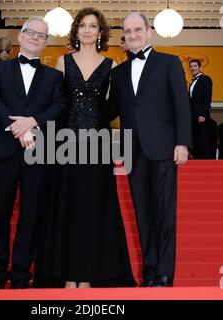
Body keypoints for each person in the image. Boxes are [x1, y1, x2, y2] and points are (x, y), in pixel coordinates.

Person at [34, 7, 136, 289]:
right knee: (67, 209)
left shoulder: (111, 65)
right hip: (65, 145)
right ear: (76, 31)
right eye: (83, 26)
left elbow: (115, 107)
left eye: (93, 26)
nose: (88, 30)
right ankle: (69, 276)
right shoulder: (62, 62)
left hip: (98, 146)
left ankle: (88, 277)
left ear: (100, 32)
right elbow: (54, 105)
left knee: (94, 210)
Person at [0, 16, 67, 289]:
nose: (35, 38)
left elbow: (59, 107)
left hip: (38, 153)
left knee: (32, 216)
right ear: (20, 36)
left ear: (45, 43)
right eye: (31, 33)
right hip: (1, 151)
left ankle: (21, 275)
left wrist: (32, 122)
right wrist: (16, 126)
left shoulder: (55, 77)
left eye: (42, 35)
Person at [108, 12, 192, 287]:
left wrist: (183, 143)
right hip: (133, 150)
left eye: (137, 30)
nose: (132, 35)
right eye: (127, 31)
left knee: (164, 212)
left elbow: (182, 105)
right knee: (142, 213)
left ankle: (165, 274)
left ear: (149, 32)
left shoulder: (168, 63)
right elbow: (109, 111)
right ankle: (150, 272)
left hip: (165, 147)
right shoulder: (118, 72)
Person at [188, 59, 215, 159]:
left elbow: (207, 97)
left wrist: (203, 114)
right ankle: (197, 159)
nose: (192, 68)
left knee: (203, 139)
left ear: (200, 67)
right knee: (195, 138)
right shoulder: (192, 82)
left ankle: (205, 162)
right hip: (193, 116)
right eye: (191, 66)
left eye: (195, 66)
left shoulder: (205, 79)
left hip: (201, 115)